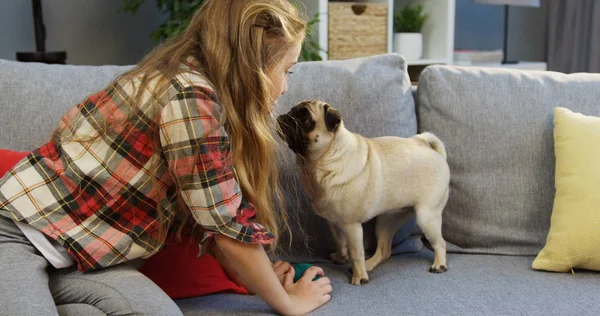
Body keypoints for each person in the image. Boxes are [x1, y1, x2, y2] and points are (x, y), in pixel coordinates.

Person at [0, 0, 333, 315]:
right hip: (16, 235)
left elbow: (208, 213)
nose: (286, 88)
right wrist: (288, 304)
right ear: (252, 65)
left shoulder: (206, 102)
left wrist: (259, 277)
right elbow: (224, 225)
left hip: (84, 255)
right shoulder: (188, 99)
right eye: (287, 71)